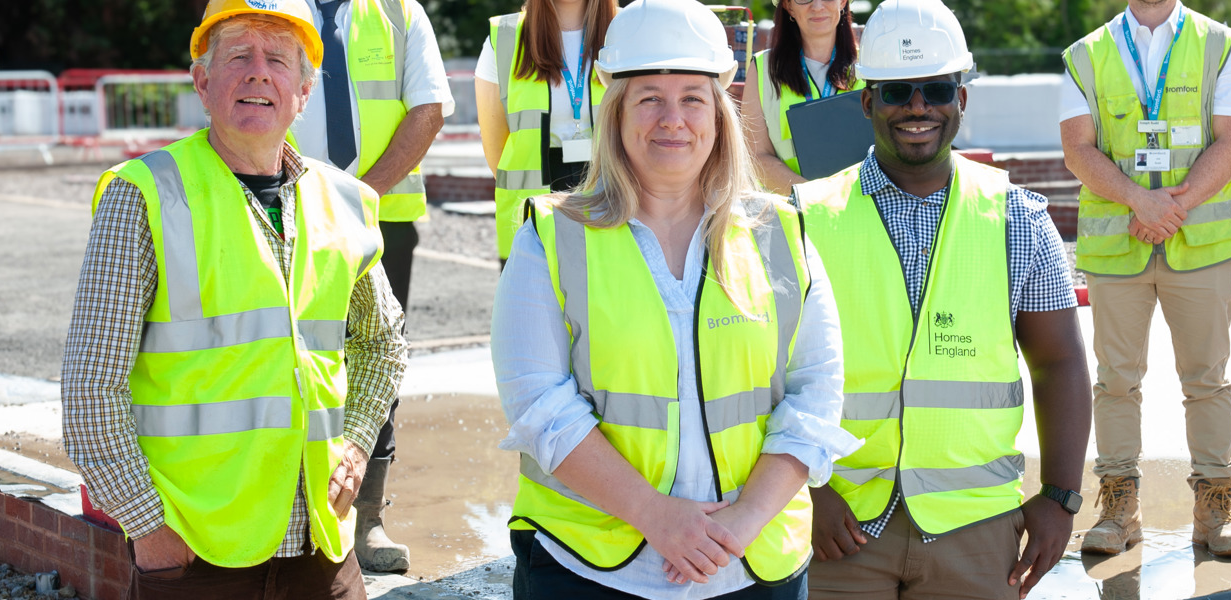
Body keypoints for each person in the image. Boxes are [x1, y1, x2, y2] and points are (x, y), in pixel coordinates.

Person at [491, 0, 862, 597]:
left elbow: (816, 394)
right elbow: (539, 407)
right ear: (615, 114)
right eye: (649, 98)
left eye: (693, 97)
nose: (673, 119)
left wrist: (738, 525)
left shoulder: (779, 234)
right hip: (590, 564)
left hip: (750, 563)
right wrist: (657, 518)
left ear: (719, 113)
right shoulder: (550, 238)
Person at [60, 0, 408, 597]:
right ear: (201, 81)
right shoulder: (145, 196)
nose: (257, 72)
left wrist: (354, 443)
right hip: (195, 553)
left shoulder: (343, 202)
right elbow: (90, 390)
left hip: (322, 549)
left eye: (277, 58)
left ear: (303, 92)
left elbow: (383, 342)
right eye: (239, 55)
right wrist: (148, 527)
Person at [792, 0, 1093, 597]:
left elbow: (1058, 363)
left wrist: (1059, 497)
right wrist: (806, 491)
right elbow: (764, 371)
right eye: (898, 91)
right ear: (867, 102)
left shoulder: (1020, 220)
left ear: (962, 98)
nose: (918, 107)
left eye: (935, 88)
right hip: (838, 523)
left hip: (974, 529)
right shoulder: (803, 219)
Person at [1057, 0, 1231, 559]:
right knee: (1116, 380)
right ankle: (1119, 508)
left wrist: (1173, 206)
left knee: (1207, 379)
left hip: (1201, 243)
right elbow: (1078, 148)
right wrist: (1138, 201)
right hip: (1119, 243)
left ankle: (1215, 509)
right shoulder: (1085, 54)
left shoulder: (1220, 43)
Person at [290, 0, 449, 574]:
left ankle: (365, 516)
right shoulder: (266, 4)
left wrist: (355, 198)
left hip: (380, 220)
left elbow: (428, 109)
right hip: (280, 214)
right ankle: (288, 509)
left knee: (376, 359)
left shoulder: (400, 12)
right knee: (288, 358)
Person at [475, 0, 619, 263]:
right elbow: (497, 153)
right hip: (530, 226)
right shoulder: (504, 37)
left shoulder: (631, 30)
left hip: (617, 213)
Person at [741, 0, 863, 192]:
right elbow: (756, 156)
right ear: (789, 6)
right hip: (789, 212)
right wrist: (813, 199)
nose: (817, 6)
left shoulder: (871, 65)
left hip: (860, 206)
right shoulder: (762, 68)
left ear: (843, 2)